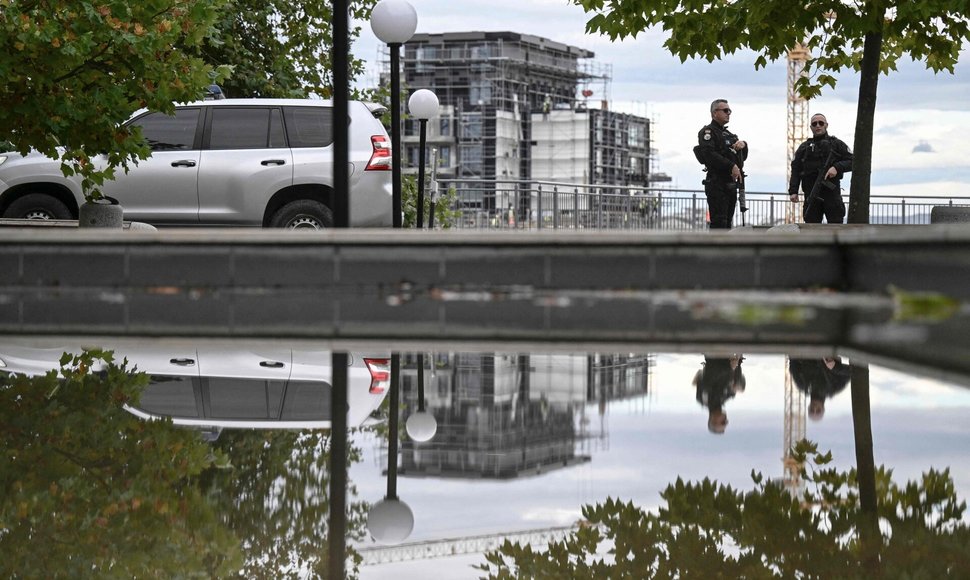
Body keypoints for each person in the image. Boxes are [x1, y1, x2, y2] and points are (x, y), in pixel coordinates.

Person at [788, 114, 853, 224]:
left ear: (826, 125)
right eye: (814, 123)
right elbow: (795, 169)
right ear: (811, 127)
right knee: (811, 229)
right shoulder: (804, 147)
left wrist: (837, 167)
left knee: (835, 227)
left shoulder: (836, 144)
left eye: (821, 123)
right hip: (811, 193)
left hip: (831, 194)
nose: (818, 126)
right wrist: (793, 191)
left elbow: (853, 161)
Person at [695, 99, 748, 229]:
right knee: (719, 223)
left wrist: (744, 145)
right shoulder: (708, 132)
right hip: (717, 183)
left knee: (728, 223)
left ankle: (725, 249)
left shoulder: (729, 135)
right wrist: (731, 166)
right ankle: (715, 249)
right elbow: (709, 154)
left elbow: (742, 158)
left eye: (729, 110)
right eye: (725, 110)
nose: (728, 113)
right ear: (714, 113)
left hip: (730, 184)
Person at [693, 354, 745, 434]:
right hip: (731, 351)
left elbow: (710, 373)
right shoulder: (724, 398)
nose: (727, 421)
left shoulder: (704, 399)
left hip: (715, 352)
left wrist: (730, 367)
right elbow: (737, 379)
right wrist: (739, 385)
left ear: (713, 420)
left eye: (723, 422)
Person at [789, 356, 851, 421]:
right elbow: (852, 373)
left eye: (812, 410)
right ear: (823, 408)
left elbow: (793, 362)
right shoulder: (834, 388)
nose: (815, 408)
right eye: (818, 410)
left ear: (809, 407)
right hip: (831, 350)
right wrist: (835, 367)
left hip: (808, 349)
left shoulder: (802, 385)